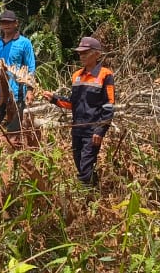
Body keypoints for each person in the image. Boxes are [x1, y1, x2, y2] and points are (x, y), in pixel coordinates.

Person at [44, 36, 115, 186]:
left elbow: (109, 105)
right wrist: (54, 99)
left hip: (92, 130)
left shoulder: (105, 75)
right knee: (78, 161)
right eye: (80, 53)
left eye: (85, 53)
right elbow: (72, 104)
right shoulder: (76, 76)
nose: (81, 56)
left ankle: (86, 197)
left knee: (86, 165)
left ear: (97, 54)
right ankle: (94, 189)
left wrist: (100, 130)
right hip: (77, 128)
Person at [0, 9, 36, 134]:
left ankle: (14, 151)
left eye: (9, 22)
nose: (7, 25)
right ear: (0, 24)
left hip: (17, 93)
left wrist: (30, 90)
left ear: (16, 23)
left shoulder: (24, 43)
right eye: (4, 22)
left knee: (14, 129)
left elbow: (31, 68)